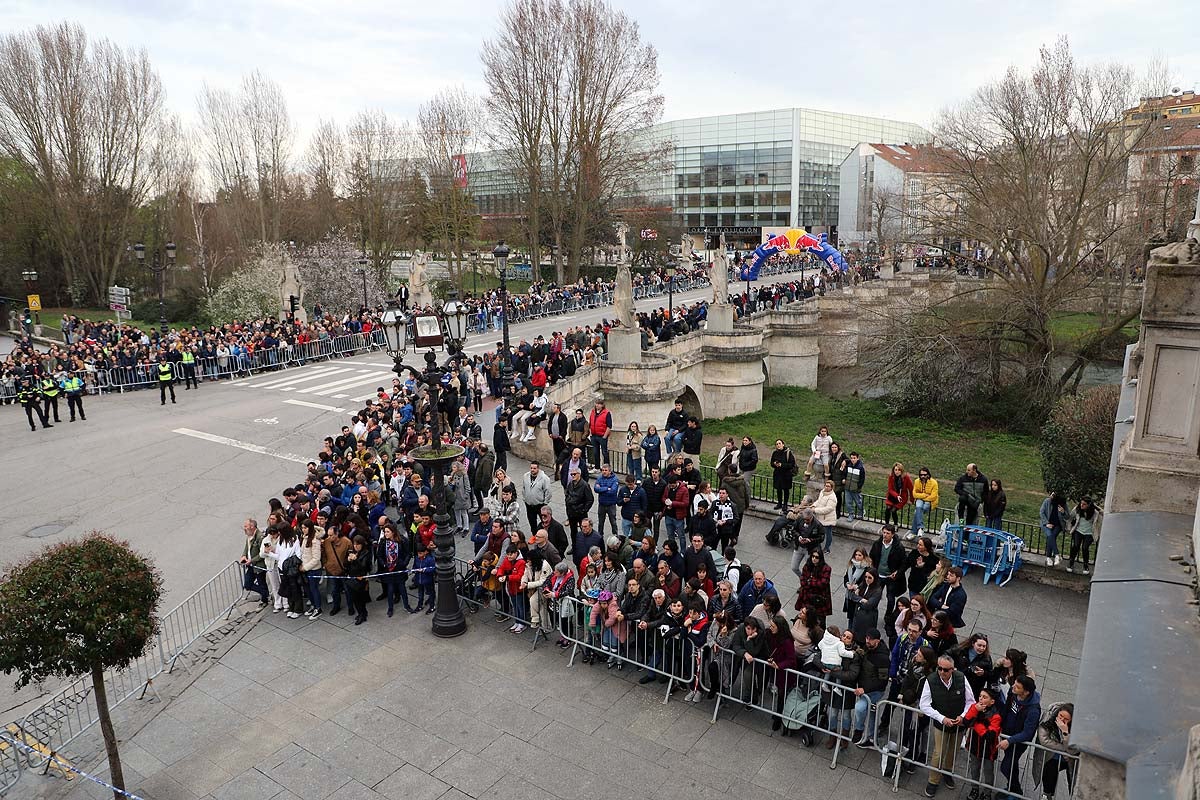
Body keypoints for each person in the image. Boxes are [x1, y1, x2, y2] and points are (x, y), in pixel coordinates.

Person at [919, 654, 975, 797]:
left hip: (959, 724)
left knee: (953, 751)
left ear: (953, 669)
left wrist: (962, 717)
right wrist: (942, 718)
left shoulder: (961, 678)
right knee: (939, 752)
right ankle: (933, 781)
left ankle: (947, 771)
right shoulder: (931, 680)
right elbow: (924, 704)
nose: (942, 672)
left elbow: (970, 701)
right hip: (941, 724)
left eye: (946, 670)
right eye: (939, 668)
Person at [997, 676, 1041, 799]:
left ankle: (1015, 791)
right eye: (1014, 684)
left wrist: (1010, 740)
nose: (1013, 687)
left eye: (1017, 687)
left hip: (1017, 742)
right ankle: (1012, 788)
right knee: (1011, 764)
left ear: (1026, 692)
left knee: (1006, 766)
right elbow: (1006, 709)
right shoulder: (1013, 693)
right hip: (1007, 735)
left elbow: (1027, 733)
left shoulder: (1033, 710)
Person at [852, 629, 891, 748]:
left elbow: (882, 681)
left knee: (860, 708)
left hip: (875, 691)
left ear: (877, 641)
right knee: (872, 712)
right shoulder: (867, 648)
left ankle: (859, 730)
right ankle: (871, 737)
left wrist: (865, 689)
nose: (867, 641)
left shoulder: (883, 659)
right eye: (867, 638)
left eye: (870, 639)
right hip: (865, 687)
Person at [1033, 702, 1079, 799]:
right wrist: (1065, 749)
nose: (1062, 720)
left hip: (1071, 759)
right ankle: (1047, 795)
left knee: (1074, 781)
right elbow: (1044, 740)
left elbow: (1073, 750)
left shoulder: (1076, 727)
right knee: (1049, 773)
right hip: (1054, 755)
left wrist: (1065, 732)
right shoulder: (1048, 717)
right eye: (1061, 716)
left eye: (1066, 719)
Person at [963, 686, 1003, 793]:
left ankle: (987, 792)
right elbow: (966, 722)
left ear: (992, 701)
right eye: (980, 696)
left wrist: (976, 724)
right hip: (974, 746)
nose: (981, 699)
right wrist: (975, 710)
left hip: (988, 750)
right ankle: (974, 788)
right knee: (974, 769)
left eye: (985, 697)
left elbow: (990, 736)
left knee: (988, 772)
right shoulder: (974, 707)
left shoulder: (996, 716)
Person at [870, 524, 908, 611]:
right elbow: (871, 556)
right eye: (884, 532)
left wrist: (897, 572)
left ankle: (888, 616)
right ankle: (872, 612)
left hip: (891, 577)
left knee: (890, 599)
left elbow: (904, 563)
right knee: (874, 596)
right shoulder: (877, 544)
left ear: (892, 534)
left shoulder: (899, 547)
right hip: (878, 575)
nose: (885, 535)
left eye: (888, 533)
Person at [796, 549, 833, 627]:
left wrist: (810, 581)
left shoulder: (826, 568)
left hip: (819, 599)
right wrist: (811, 582)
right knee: (805, 618)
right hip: (807, 597)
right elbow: (803, 580)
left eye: (817, 557)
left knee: (820, 622)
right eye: (813, 556)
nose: (814, 559)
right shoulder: (807, 565)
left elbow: (823, 584)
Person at [1066, 496, 1101, 575]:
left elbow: (1103, 513)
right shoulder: (1077, 509)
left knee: (1085, 547)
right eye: (1081, 503)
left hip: (1089, 533)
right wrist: (1069, 528)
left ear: (1089, 505)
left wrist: (1096, 506)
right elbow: (1070, 518)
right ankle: (1071, 562)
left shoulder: (1094, 512)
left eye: (1084, 504)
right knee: (1076, 545)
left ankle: (1085, 565)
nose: (1081, 505)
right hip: (1078, 531)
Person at [238, 519, 268, 605]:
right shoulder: (249, 536)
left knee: (261, 582)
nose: (244, 528)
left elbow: (263, 553)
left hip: (259, 566)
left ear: (252, 527)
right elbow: (247, 547)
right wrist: (244, 555)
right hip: (251, 565)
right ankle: (265, 593)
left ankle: (264, 599)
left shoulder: (260, 537)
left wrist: (252, 560)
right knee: (247, 584)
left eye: (246, 526)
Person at [345, 534, 373, 625]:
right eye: (354, 544)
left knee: (360, 599)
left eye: (358, 544)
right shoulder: (352, 552)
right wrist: (348, 560)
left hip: (360, 580)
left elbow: (363, 568)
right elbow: (345, 565)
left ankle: (362, 614)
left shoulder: (366, 553)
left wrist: (356, 560)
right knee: (355, 599)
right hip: (352, 579)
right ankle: (361, 613)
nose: (355, 546)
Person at [521, 461, 554, 535]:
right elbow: (523, 488)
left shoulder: (545, 478)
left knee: (544, 521)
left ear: (538, 469)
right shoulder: (525, 476)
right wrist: (525, 498)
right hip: (529, 504)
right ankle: (535, 535)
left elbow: (548, 491)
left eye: (534, 468)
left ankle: (546, 534)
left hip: (540, 504)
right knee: (532, 521)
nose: (532, 470)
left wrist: (545, 503)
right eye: (531, 468)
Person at [809, 479, 839, 553]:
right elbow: (819, 501)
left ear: (832, 488)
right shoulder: (822, 492)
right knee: (818, 532)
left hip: (827, 518)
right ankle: (817, 545)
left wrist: (815, 510)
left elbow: (828, 509)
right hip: (820, 517)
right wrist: (813, 505)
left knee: (828, 534)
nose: (826, 487)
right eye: (825, 485)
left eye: (828, 486)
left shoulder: (832, 497)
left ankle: (827, 548)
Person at [564, 468, 595, 541]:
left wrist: (583, 510)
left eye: (574, 474)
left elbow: (590, 499)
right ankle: (574, 547)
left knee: (584, 531)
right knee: (573, 531)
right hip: (571, 512)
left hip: (580, 513)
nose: (573, 476)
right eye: (571, 474)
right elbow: (567, 494)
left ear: (579, 474)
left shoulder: (584, 485)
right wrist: (568, 502)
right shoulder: (570, 484)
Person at [1039, 491, 1067, 567]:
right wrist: (1046, 523)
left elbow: (1067, 516)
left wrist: (1063, 512)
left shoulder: (1062, 504)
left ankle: (1049, 557)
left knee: (1052, 536)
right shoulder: (1047, 501)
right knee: (1050, 535)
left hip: (1058, 525)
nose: (1050, 496)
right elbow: (1041, 512)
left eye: (1052, 495)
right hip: (1047, 523)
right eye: (1051, 494)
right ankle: (1056, 555)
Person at [909, 467, 938, 539]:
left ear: (928, 475)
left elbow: (933, 496)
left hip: (930, 501)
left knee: (917, 512)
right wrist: (924, 495)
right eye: (921, 475)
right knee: (918, 506)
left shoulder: (934, 483)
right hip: (920, 499)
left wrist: (922, 497)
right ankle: (920, 528)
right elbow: (914, 494)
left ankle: (913, 532)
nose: (923, 476)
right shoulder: (916, 481)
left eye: (925, 475)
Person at [594, 463, 620, 539]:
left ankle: (615, 536)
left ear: (610, 471)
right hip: (602, 504)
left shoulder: (614, 479)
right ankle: (600, 536)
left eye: (606, 470)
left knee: (613, 522)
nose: (604, 472)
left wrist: (601, 489)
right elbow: (596, 489)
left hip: (611, 505)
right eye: (603, 470)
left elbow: (613, 491)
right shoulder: (599, 478)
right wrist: (607, 488)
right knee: (600, 522)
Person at [884, 462, 914, 528]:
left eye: (899, 470)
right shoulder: (891, 477)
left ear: (902, 471)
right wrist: (896, 495)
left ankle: (895, 524)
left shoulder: (906, 478)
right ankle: (886, 524)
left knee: (893, 510)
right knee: (888, 509)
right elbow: (890, 489)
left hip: (902, 497)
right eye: (895, 470)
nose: (897, 472)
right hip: (892, 496)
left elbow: (911, 489)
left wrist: (912, 500)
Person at [770, 439, 797, 510]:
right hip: (778, 474)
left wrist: (782, 465)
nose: (778, 445)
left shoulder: (788, 453)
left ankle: (785, 504)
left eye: (779, 443)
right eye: (777, 444)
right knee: (778, 489)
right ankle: (779, 503)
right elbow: (771, 463)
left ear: (783, 444)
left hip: (786, 475)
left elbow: (791, 464)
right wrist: (775, 464)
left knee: (786, 490)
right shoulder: (775, 453)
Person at [588, 399, 613, 468]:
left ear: (602, 405)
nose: (597, 405)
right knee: (595, 452)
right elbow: (590, 423)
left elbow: (609, 426)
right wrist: (590, 433)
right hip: (594, 435)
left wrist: (604, 436)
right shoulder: (593, 412)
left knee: (604, 452)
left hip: (602, 436)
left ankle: (606, 468)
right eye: (596, 403)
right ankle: (597, 467)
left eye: (599, 404)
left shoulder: (607, 413)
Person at [844, 451, 866, 521]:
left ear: (857, 458)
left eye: (854, 458)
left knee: (858, 502)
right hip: (847, 488)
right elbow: (845, 474)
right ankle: (851, 514)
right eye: (851, 458)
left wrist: (858, 487)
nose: (853, 460)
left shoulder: (860, 468)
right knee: (848, 503)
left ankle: (861, 513)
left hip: (856, 489)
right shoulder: (848, 465)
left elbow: (862, 479)